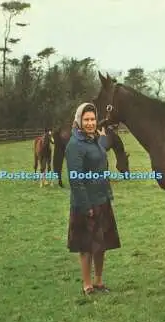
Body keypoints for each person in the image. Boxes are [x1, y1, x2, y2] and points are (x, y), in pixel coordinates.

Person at [65, 102, 121, 296]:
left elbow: (101, 152)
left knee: (101, 244)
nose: (90, 123)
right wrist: (85, 205)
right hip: (85, 203)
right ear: (79, 121)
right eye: (86, 119)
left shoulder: (96, 140)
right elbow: (76, 179)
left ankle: (98, 281)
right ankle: (87, 284)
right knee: (87, 246)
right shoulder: (75, 145)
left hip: (102, 199)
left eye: (92, 119)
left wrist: (104, 138)